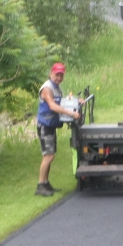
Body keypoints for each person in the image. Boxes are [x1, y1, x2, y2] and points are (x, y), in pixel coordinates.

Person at [36, 63, 80, 197]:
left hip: (51, 126)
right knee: (48, 156)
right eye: (57, 75)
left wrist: (77, 101)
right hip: (44, 126)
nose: (59, 77)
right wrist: (71, 113)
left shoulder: (57, 88)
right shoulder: (47, 88)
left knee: (49, 155)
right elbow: (53, 106)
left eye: (61, 75)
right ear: (51, 73)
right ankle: (40, 185)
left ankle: (46, 183)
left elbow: (63, 102)